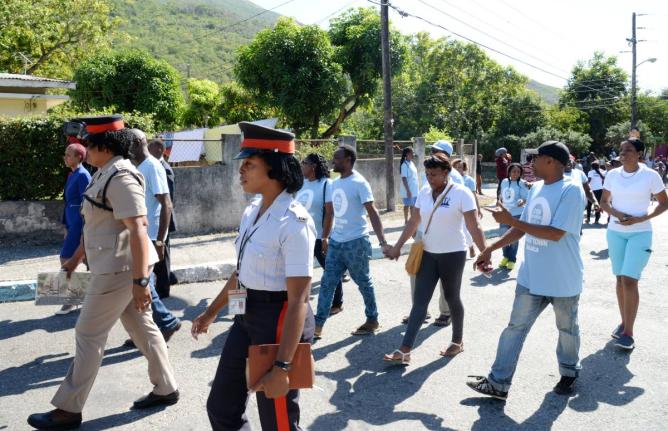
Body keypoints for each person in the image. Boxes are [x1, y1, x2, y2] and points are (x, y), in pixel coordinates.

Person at [28, 117, 178, 430]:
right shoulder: (103, 174)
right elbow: (95, 225)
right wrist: (74, 261)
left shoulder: (122, 176)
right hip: (112, 265)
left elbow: (138, 228)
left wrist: (140, 282)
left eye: (88, 143)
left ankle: (69, 409)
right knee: (143, 329)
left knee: (87, 334)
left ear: (104, 147)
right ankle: (166, 388)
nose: (84, 148)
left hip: (119, 269)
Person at [191, 122, 315, 430]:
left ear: (273, 168)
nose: (241, 170)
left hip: (278, 319)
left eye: (249, 164)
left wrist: (283, 367)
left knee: (278, 420)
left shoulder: (294, 222)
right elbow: (241, 273)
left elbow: (299, 298)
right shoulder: (253, 210)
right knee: (222, 406)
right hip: (245, 314)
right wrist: (210, 313)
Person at [467, 140, 586, 400]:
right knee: (514, 328)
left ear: (551, 161)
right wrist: (491, 248)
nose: (531, 164)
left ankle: (569, 373)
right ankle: (498, 383)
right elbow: (522, 226)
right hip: (531, 275)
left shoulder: (572, 191)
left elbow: (555, 233)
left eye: (536, 158)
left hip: (563, 278)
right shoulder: (537, 189)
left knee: (567, 330)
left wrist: (509, 219)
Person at [383, 153, 487, 364]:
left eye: (435, 174)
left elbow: (474, 225)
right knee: (419, 302)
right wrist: (397, 247)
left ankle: (457, 341)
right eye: (428, 174)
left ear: (447, 173)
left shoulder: (461, 193)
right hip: (428, 253)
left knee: (452, 297)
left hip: (453, 254)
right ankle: (404, 351)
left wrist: (485, 252)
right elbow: (413, 222)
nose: (431, 179)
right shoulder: (423, 192)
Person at [599, 138, 668, 350]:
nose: (623, 153)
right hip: (616, 233)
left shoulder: (650, 175)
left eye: (628, 150)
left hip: (640, 233)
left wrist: (641, 218)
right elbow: (604, 202)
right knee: (620, 280)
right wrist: (616, 214)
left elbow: (664, 203)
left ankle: (628, 333)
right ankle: (624, 321)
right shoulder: (612, 174)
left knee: (630, 280)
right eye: (621, 150)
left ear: (639, 153)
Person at [314, 144, 388, 339]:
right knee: (327, 283)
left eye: (337, 158)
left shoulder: (359, 183)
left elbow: (372, 212)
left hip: (356, 242)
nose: (333, 161)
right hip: (336, 243)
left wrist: (382, 242)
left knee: (363, 282)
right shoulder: (334, 183)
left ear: (348, 160)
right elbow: (329, 212)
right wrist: (325, 236)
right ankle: (317, 325)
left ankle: (372, 319)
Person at [120, 129, 181, 348]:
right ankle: (147, 329)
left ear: (137, 143)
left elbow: (166, 204)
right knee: (141, 284)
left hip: (151, 235)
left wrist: (160, 240)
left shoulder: (153, 167)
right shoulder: (141, 167)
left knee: (142, 283)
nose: (126, 148)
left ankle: (165, 322)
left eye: (128, 143)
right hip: (143, 234)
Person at [296, 153, 344, 315]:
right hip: (302, 235)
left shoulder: (326, 184)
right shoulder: (302, 184)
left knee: (330, 270)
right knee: (300, 270)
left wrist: (325, 236)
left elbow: (330, 213)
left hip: (319, 236)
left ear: (313, 166)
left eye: (305, 162)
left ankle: (337, 303)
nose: (302, 165)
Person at [56, 142, 91, 315]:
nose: (65, 157)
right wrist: (65, 225)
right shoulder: (72, 174)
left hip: (79, 221)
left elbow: (87, 204)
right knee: (82, 260)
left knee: (66, 259)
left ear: (79, 156)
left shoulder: (83, 175)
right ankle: (78, 298)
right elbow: (68, 202)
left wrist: (84, 229)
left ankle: (71, 300)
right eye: (65, 154)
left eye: (69, 154)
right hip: (71, 221)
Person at [148, 138, 179, 290]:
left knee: (163, 255)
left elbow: (168, 199)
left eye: (150, 148)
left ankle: (163, 287)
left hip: (163, 218)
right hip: (159, 218)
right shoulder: (157, 166)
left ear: (159, 150)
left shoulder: (164, 168)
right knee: (162, 254)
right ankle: (168, 279)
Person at [496, 163, 529, 270]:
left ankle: (512, 259)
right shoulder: (505, 182)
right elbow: (502, 195)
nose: (516, 174)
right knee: (503, 236)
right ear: (509, 172)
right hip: (505, 214)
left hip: (518, 214)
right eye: (513, 171)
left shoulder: (522, 183)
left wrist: (522, 201)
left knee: (514, 238)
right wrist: (499, 202)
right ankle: (505, 256)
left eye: (518, 172)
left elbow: (526, 198)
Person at [453, 159, 478, 259]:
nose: (458, 169)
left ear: (464, 168)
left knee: (464, 229)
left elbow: (474, 195)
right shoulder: (450, 178)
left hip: (466, 209)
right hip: (453, 208)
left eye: (460, 167)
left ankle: (471, 245)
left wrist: (478, 209)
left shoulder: (469, 180)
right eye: (456, 167)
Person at [400, 147, 419, 225]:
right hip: (408, 189)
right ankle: (406, 220)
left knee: (413, 206)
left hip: (414, 189)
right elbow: (404, 178)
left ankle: (412, 220)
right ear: (407, 154)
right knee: (407, 205)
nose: (413, 155)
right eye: (412, 153)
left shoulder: (411, 163)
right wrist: (408, 190)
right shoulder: (404, 165)